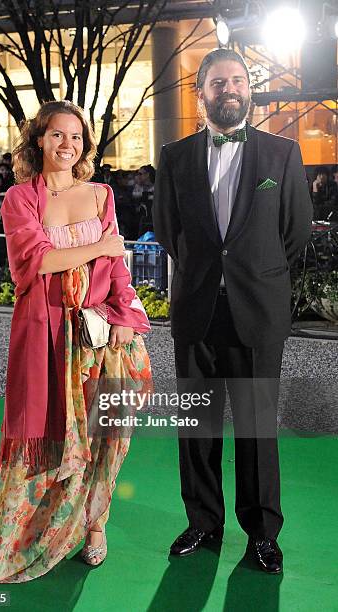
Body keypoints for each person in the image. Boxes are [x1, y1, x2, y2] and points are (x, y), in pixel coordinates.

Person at [0, 100, 152, 584]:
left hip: (99, 335)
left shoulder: (102, 195)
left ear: (85, 143)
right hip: (44, 335)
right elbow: (34, 263)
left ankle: (94, 527)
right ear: (38, 141)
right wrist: (101, 246)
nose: (67, 145)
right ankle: (23, 540)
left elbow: (116, 270)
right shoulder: (19, 199)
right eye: (56, 135)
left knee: (103, 435)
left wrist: (127, 313)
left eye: (76, 136)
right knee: (41, 437)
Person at [153, 48, 313, 574]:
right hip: (197, 309)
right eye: (218, 82)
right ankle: (202, 522)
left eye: (238, 80)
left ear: (249, 89)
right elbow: (172, 232)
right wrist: (209, 274)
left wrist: (250, 276)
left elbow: (294, 234)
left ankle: (263, 533)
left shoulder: (281, 154)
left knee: (256, 428)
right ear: (200, 93)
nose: (230, 89)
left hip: (257, 313)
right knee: (196, 427)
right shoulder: (174, 157)